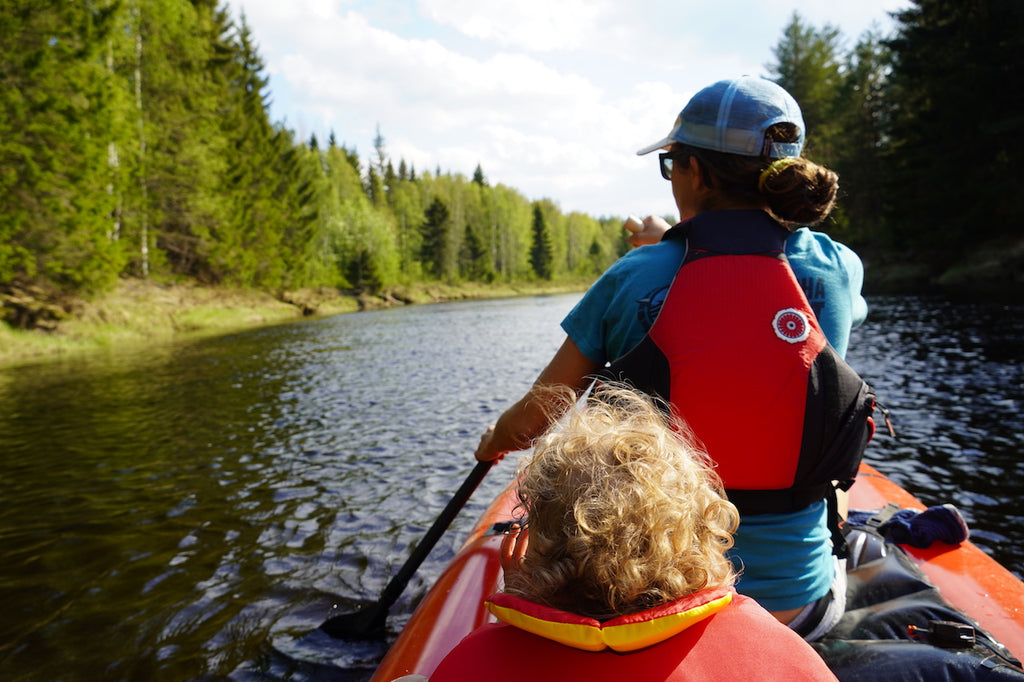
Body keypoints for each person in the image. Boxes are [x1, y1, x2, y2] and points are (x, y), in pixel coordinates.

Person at [475, 76, 874, 641]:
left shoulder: (633, 277)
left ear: (696, 173)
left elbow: (538, 416)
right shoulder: (838, 269)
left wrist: (495, 439)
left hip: (662, 606)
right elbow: (756, 284)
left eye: (671, 166)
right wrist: (675, 245)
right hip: (799, 609)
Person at [433, 384, 839, 681]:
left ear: (529, 552)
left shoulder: (475, 660)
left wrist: (524, 598)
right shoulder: (780, 653)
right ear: (702, 536)